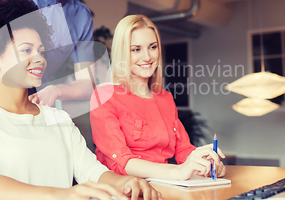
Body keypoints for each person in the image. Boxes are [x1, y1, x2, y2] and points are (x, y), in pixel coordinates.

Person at [0, 0, 162, 200]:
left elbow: (91, 170)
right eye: (26, 50)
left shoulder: (57, 119)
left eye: (41, 50)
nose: (39, 58)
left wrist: (123, 182)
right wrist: (58, 196)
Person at [90, 15, 226, 180]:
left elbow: (183, 150)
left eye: (152, 47)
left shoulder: (165, 98)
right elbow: (122, 161)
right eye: (136, 49)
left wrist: (205, 163)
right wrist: (177, 172)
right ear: (122, 52)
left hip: (164, 185)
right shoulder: (104, 96)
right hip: (125, 192)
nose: (147, 57)